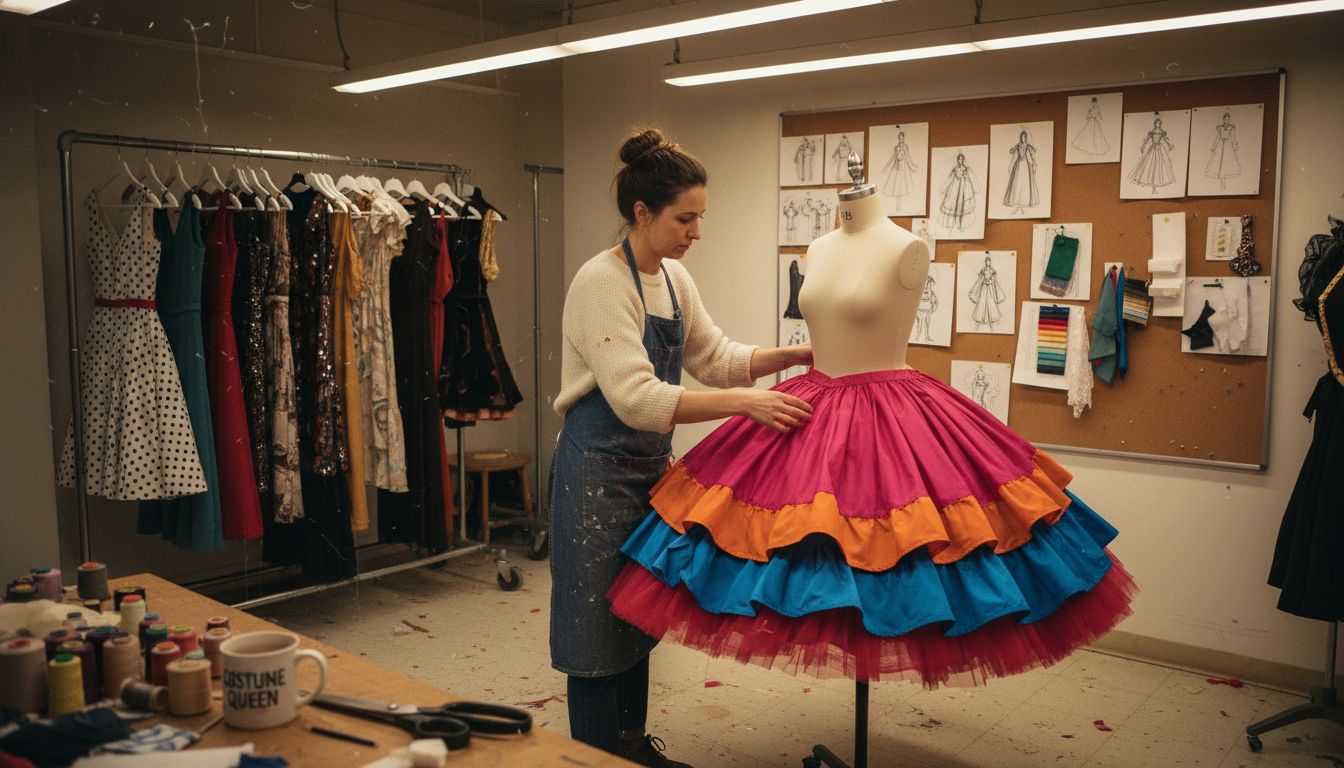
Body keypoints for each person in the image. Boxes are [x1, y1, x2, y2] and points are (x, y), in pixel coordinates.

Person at [550, 128, 813, 767]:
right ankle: (596, 758)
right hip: (593, 477)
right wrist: (748, 405)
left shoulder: (672, 279)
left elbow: (713, 358)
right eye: (685, 218)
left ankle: (635, 749)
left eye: (701, 217)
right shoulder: (599, 283)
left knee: (637, 619)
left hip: (646, 474)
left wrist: (792, 356)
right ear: (642, 213)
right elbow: (637, 399)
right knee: (593, 634)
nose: (697, 232)